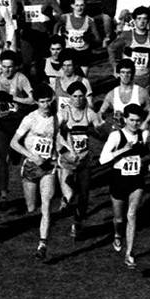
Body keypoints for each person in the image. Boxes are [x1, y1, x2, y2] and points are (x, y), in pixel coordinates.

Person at [11, 88, 66, 260]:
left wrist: (65, 149)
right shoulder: (30, 119)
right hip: (30, 166)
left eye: (48, 101)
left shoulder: (59, 117)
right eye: (42, 101)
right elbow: (14, 143)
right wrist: (33, 157)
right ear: (36, 102)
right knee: (31, 207)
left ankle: (43, 243)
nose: (46, 105)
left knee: (46, 204)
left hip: (49, 166)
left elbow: (61, 135)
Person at [98, 103, 150, 269]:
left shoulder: (145, 134)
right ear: (125, 120)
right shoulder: (116, 136)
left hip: (136, 180)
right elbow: (102, 159)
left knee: (132, 214)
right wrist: (123, 150)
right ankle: (117, 233)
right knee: (119, 218)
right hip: (118, 179)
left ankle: (129, 253)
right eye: (131, 120)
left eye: (138, 120)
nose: (135, 124)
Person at [56, 79, 104, 238]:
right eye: (75, 96)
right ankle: (66, 200)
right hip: (67, 161)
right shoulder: (63, 113)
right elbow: (55, 134)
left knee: (84, 195)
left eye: (81, 96)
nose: (78, 99)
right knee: (71, 197)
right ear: (69, 97)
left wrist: (100, 129)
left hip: (84, 162)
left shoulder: (89, 113)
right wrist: (65, 151)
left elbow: (100, 133)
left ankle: (77, 223)